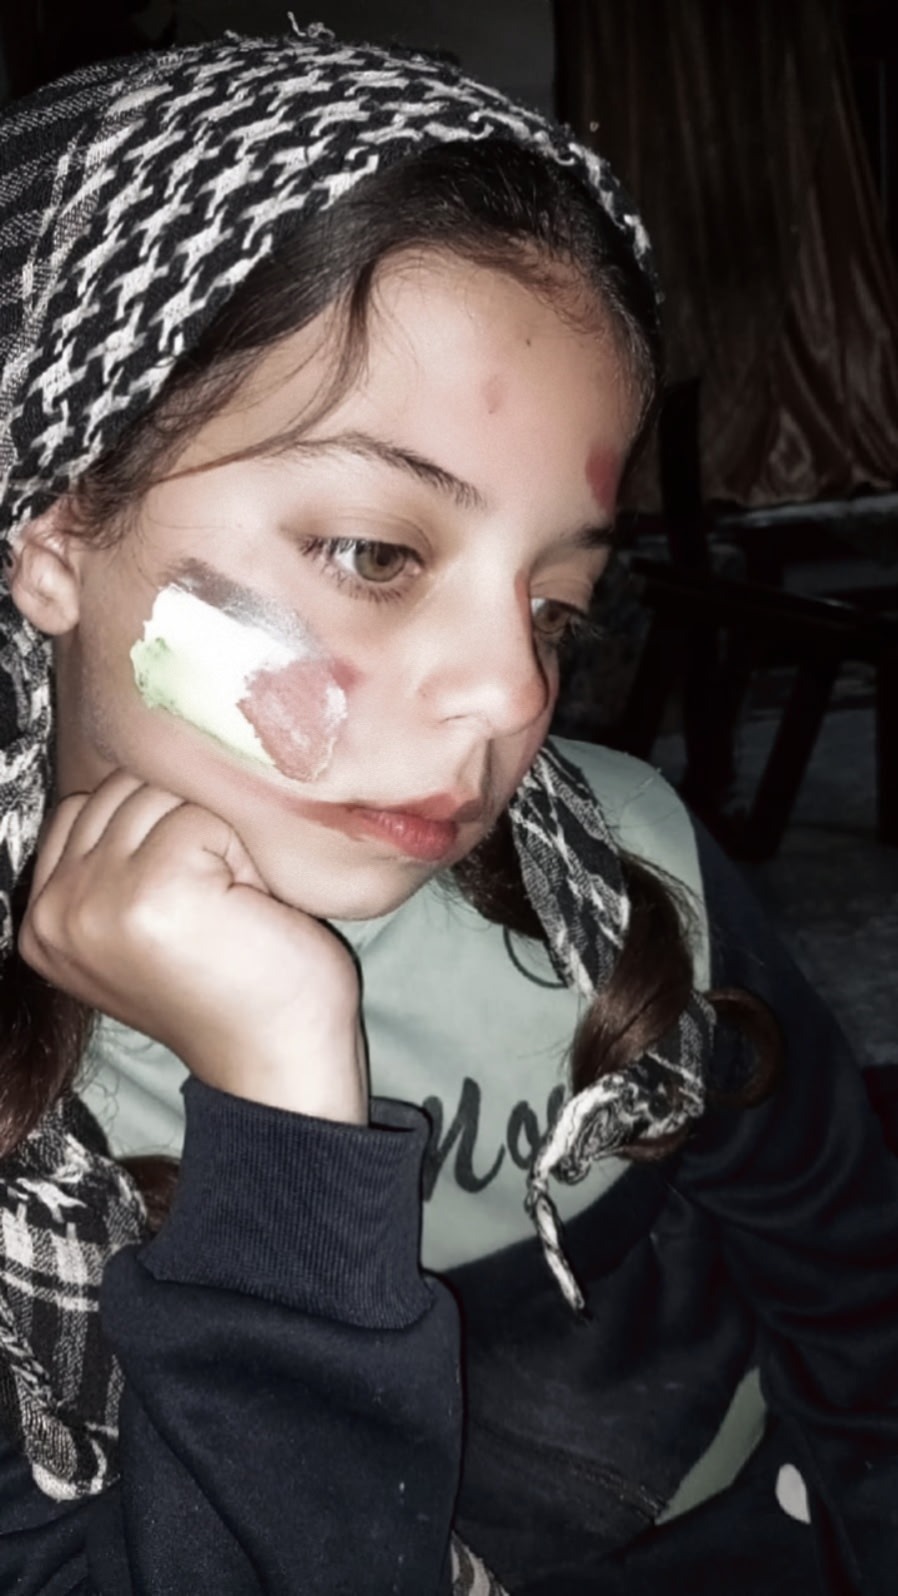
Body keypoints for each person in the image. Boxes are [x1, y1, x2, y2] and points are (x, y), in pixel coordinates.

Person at [0, 27, 896, 1596]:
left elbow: (853, 1294)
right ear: (59, 528)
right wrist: (283, 1112)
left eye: (556, 605)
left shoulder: (623, 864)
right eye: (375, 553)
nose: (510, 694)